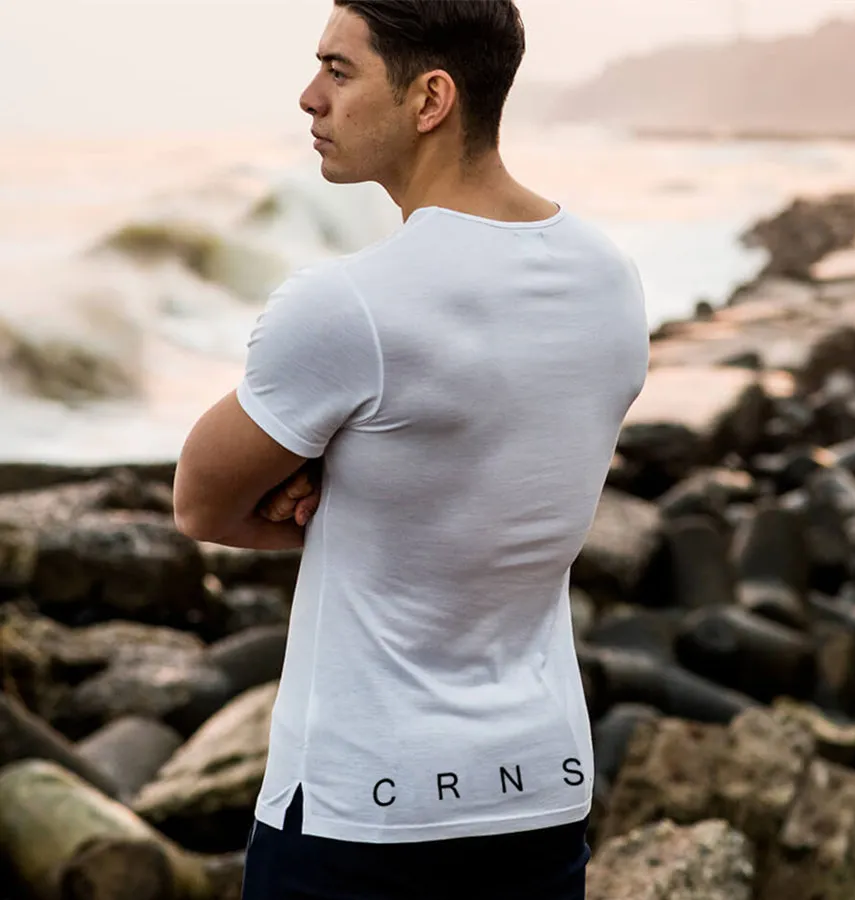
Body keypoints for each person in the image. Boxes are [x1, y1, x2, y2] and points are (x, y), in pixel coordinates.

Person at [172, 1, 649, 897]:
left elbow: (200, 502)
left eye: (339, 71)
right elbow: (498, 474)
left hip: (362, 811)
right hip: (540, 794)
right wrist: (372, 490)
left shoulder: (348, 305)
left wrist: (321, 494)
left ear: (431, 98)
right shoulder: (609, 278)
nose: (310, 97)